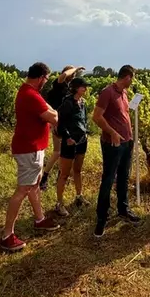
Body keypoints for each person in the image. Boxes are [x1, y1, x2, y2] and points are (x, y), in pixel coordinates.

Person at [0, 62, 60, 253]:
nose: (46, 83)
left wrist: (53, 113)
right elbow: (54, 117)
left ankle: (39, 219)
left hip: (32, 148)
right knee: (23, 189)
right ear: (41, 77)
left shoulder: (29, 92)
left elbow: (53, 113)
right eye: (46, 79)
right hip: (29, 149)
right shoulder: (31, 96)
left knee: (34, 184)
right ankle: (7, 235)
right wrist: (53, 114)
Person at [93, 65, 141, 238]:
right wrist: (112, 133)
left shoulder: (124, 93)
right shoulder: (108, 92)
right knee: (108, 178)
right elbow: (96, 116)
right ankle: (101, 218)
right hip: (113, 143)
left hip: (127, 142)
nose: (133, 81)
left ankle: (123, 209)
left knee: (123, 176)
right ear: (127, 77)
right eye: (132, 77)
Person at [40, 65, 84, 191]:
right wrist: (75, 68)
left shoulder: (70, 89)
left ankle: (60, 177)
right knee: (57, 152)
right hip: (57, 124)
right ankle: (44, 177)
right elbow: (63, 76)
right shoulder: (58, 84)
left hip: (68, 126)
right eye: (73, 74)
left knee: (65, 153)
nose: (74, 75)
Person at [54, 77, 91, 217]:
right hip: (69, 142)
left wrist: (85, 133)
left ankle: (79, 196)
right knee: (64, 174)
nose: (85, 88)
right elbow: (60, 122)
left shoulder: (83, 103)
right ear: (76, 87)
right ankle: (59, 203)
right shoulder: (67, 103)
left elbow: (84, 120)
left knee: (78, 170)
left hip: (82, 141)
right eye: (83, 86)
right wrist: (67, 137)